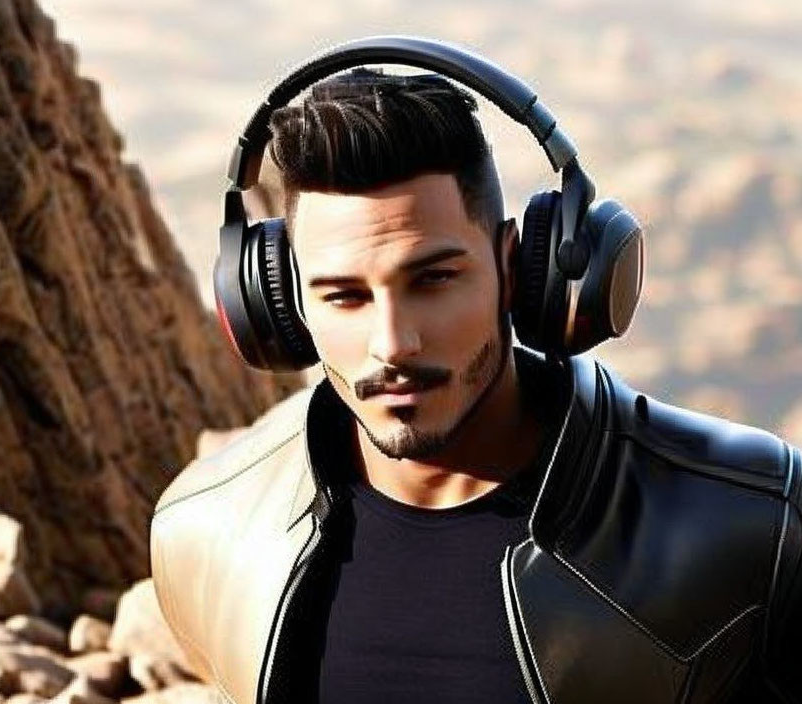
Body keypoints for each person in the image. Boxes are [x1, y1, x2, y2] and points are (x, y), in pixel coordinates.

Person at [150, 37, 802, 704]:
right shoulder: (210, 536)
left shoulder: (756, 526)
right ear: (281, 308)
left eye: (433, 279)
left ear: (517, 268)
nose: (393, 343)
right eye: (344, 296)